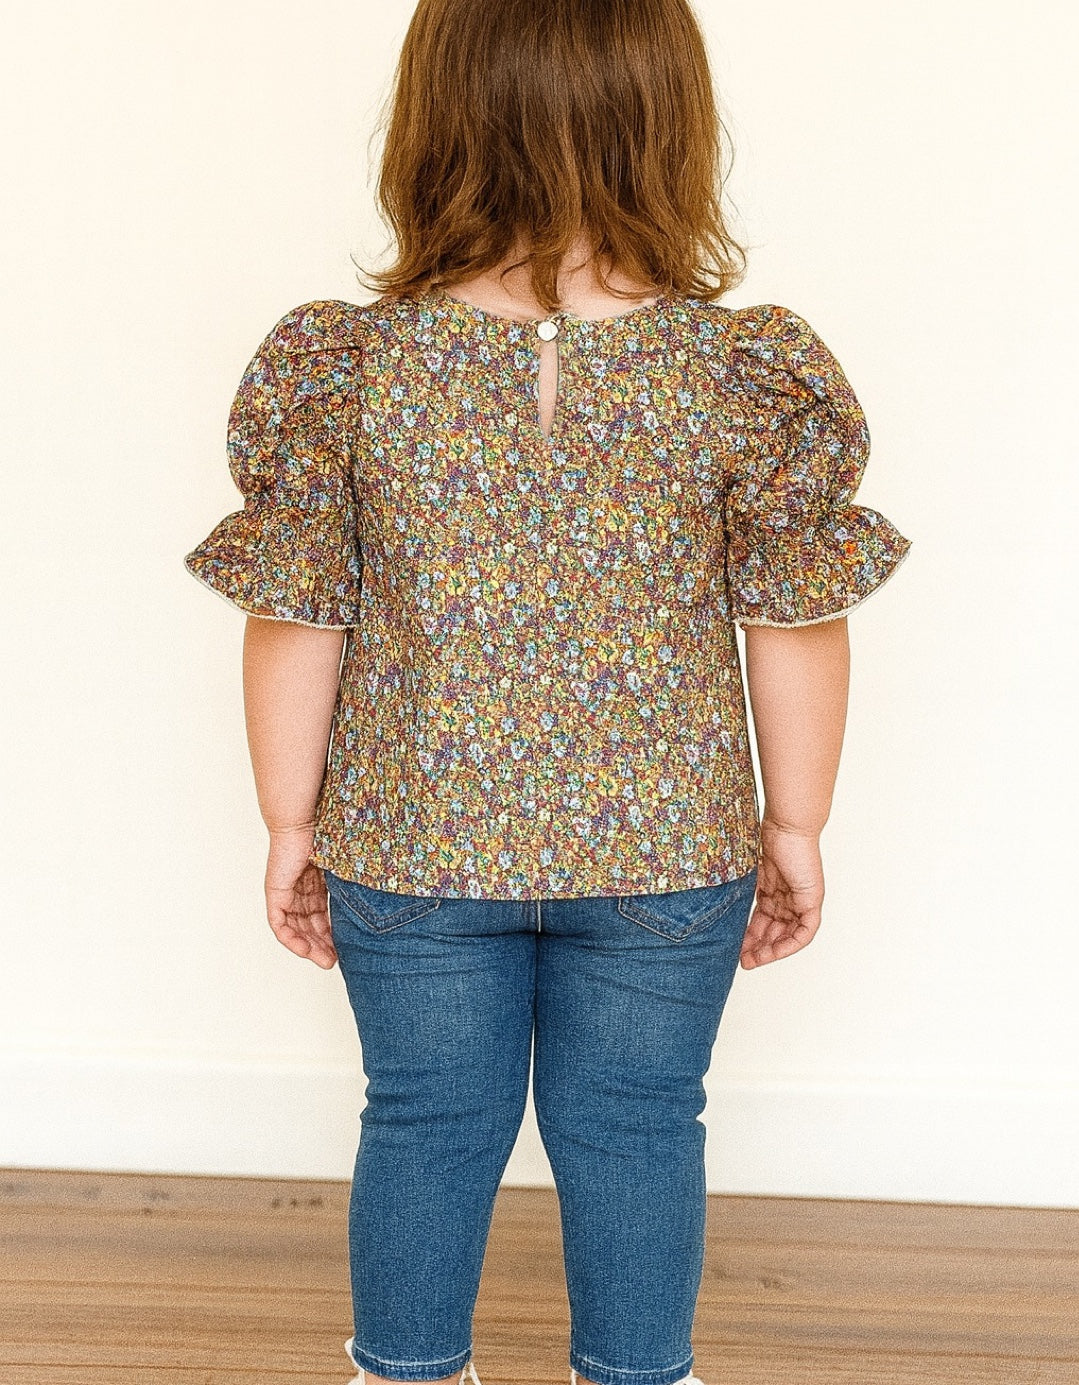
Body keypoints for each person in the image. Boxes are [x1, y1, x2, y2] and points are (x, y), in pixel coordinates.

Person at [183, 2, 910, 1383]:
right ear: (671, 127)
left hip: (413, 840)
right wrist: (798, 825)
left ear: (435, 125)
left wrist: (290, 822)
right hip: (665, 849)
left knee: (421, 1121)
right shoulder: (737, 374)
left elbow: (298, 616)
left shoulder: (352, 370)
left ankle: (402, 1372)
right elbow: (797, 616)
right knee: (640, 1122)